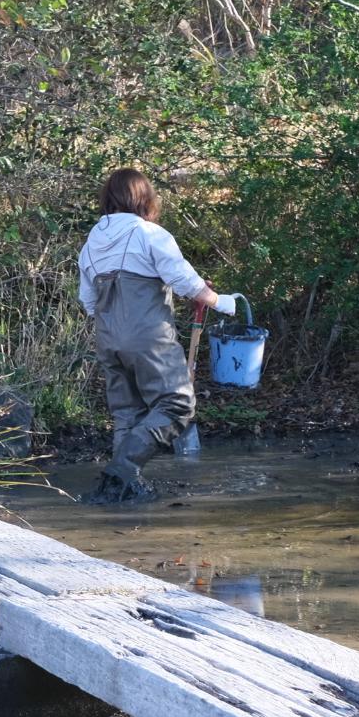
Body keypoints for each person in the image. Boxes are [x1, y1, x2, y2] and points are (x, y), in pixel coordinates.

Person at [77, 168, 244, 504]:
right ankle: (122, 469)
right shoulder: (149, 233)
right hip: (148, 336)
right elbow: (186, 282)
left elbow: (88, 302)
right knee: (178, 404)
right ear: (144, 198)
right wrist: (222, 302)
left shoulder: (92, 242)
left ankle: (120, 492)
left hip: (108, 337)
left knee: (127, 412)